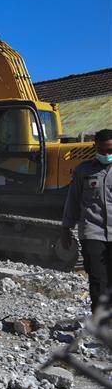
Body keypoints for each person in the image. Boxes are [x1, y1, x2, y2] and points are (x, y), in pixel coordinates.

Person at [62, 128, 112, 313]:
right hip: (92, 231)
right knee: (97, 279)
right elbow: (73, 200)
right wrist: (66, 228)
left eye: (110, 150)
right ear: (95, 147)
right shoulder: (83, 171)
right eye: (102, 150)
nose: (106, 154)